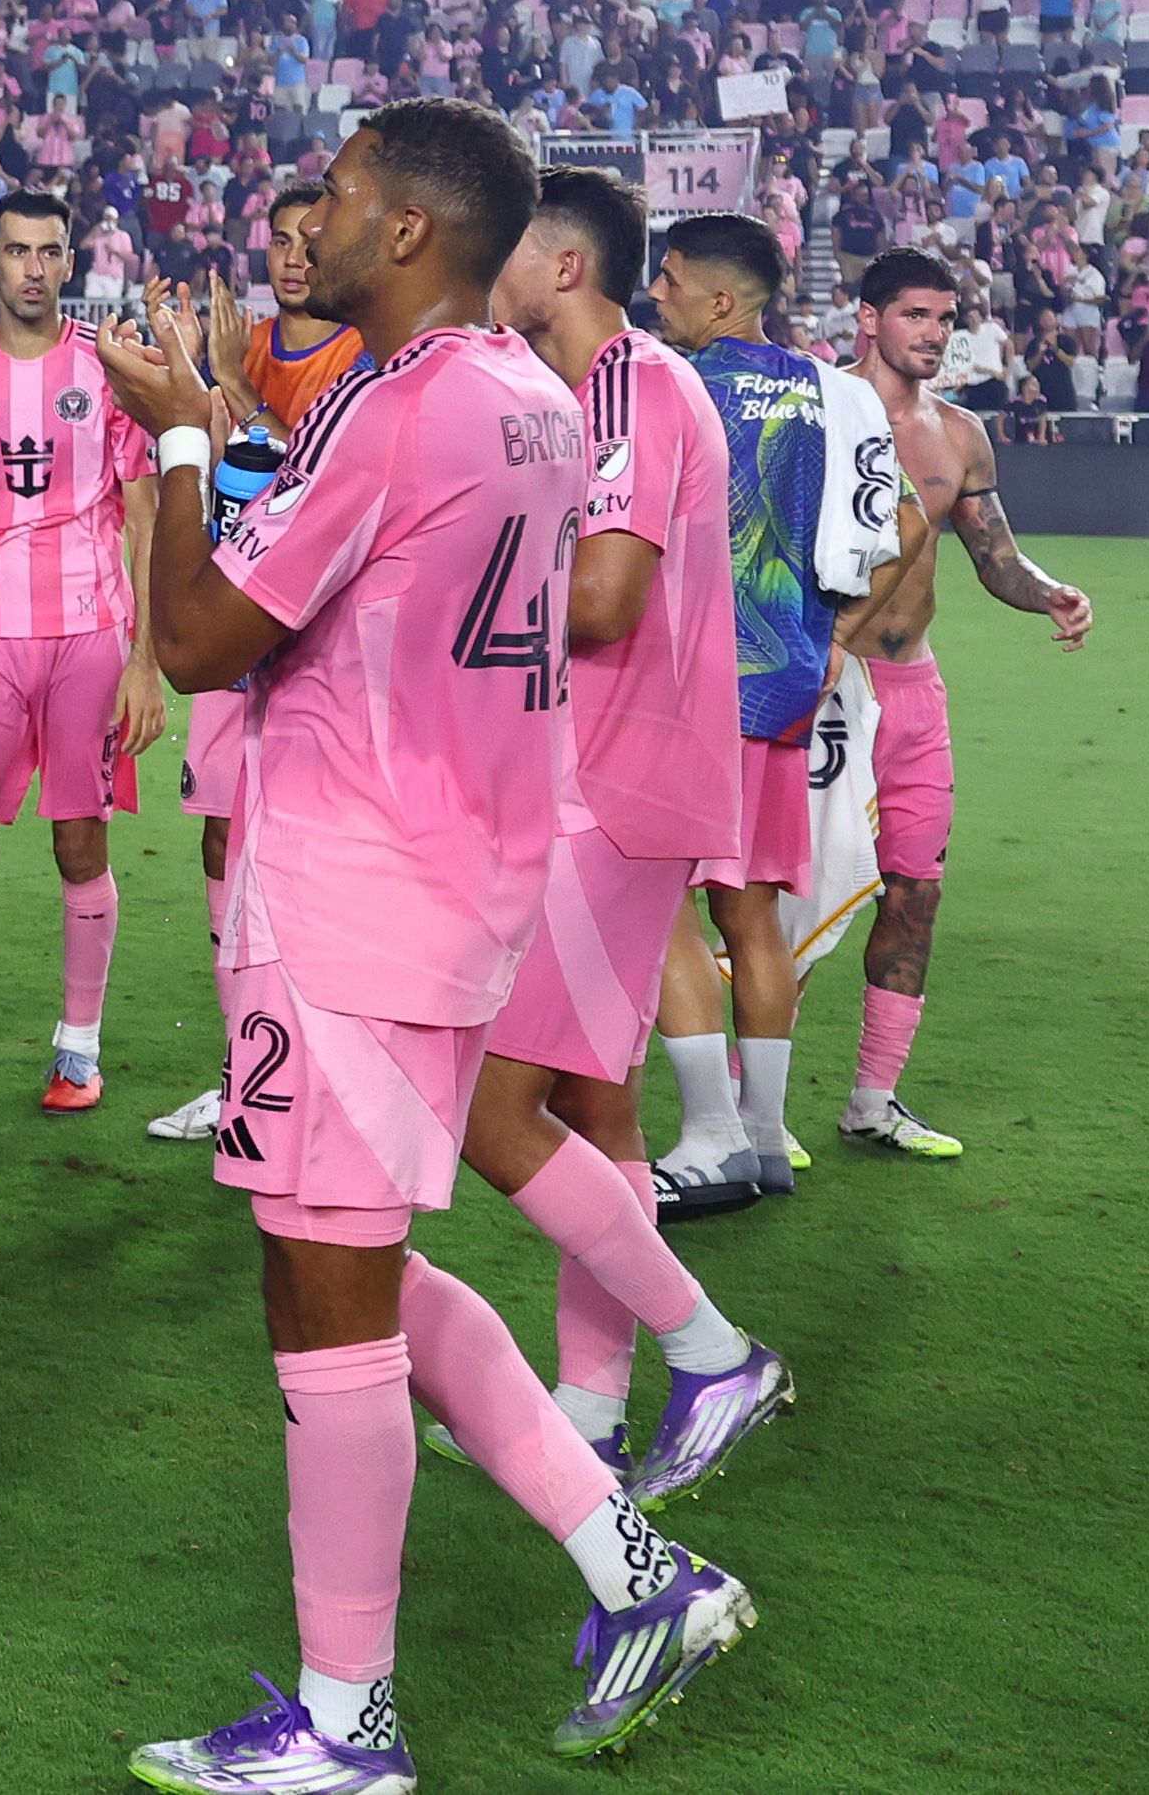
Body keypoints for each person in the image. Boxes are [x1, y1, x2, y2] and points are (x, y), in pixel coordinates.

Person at [100, 101, 753, 1788]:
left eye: (332, 194)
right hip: (463, 881)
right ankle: (631, 1570)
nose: (307, 216)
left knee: (321, 1298)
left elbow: (190, 636)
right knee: (362, 1267)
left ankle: (347, 1719)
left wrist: (178, 440)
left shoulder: (392, 416)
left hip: (347, 895)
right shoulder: (531, 399)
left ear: (404, 230)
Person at [433, 165, 790, 1504]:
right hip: (602, 774)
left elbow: (599, 596)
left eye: (508, 245)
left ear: (565, 266)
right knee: (591, 1102)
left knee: (487, 1106)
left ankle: (712, 1350)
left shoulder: (632, 386)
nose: (489, 264)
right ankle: (586, 1411)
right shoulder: (593, 391)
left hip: (611, 780)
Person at [644, 212, 889, 1216]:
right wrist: (838, 633)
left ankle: (709, 1137)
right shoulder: (842, 393)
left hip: (685, 686)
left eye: (667, 281)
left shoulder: (667, 383)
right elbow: (902, 519)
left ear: (718, 297)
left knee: (657, 908)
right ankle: (764, 1135)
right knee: (751, 921)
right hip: (786, 683)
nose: (654, 296)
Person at [0, 191, 163, 1117]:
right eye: (16, 251)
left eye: (49, 251)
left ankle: (80, 1049)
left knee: (81, 842)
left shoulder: (111, 369)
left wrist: (145, 658)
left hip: (89, 636)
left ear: (68, 262)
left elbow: (142, 514)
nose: (33, 269)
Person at [838, 251, 1097, 1161]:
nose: (936, 334)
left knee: (916, 893)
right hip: (829, 689)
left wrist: (1051, 590)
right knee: (784, 905)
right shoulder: (817, 415)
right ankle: (753, 1119)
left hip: (914, 693)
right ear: (867, 317)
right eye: (915, 315)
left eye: (946, 317)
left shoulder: (960, 435)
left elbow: (995, 557)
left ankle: (874, 1097)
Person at [149, 180, 359, 1143]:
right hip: (231, 632)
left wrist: (228, 386)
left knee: (301, 861)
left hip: (308, 647)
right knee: (220, 843)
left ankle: (308, 1068)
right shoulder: (249, 346)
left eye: (309, 240)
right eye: (278, 240)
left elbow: (304, 480)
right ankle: (244, 1066)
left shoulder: (359, 355)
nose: (292, 258)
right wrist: (190, 370)